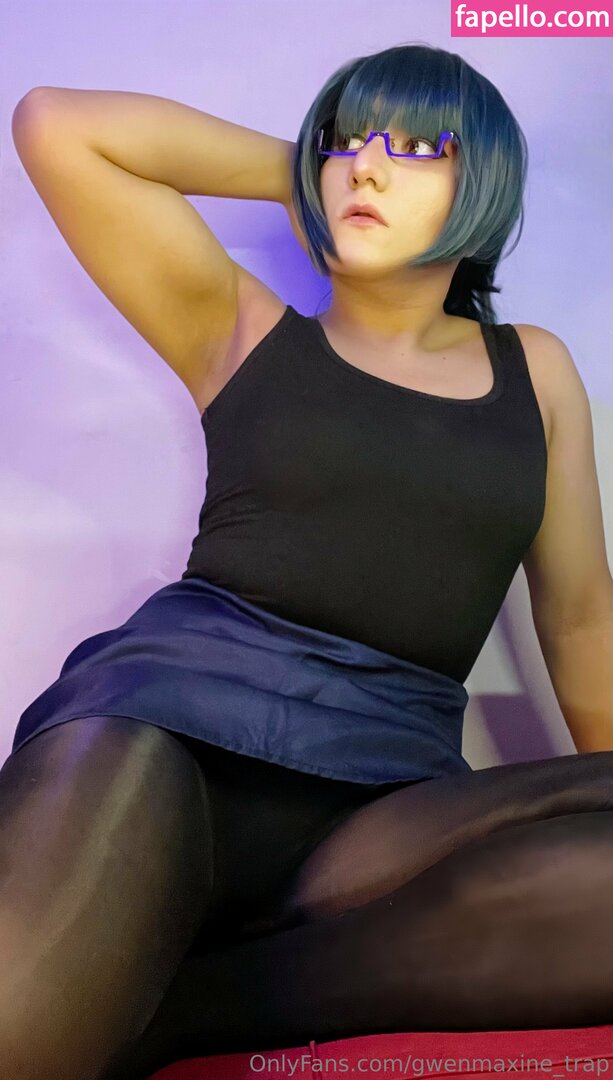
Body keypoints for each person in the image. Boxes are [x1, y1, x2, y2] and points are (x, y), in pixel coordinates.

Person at [3, 41, 612, 1080]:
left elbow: (581, 617)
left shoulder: (535, 371)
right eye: (346, 142)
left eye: (415, 148)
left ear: (483, 183)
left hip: (383, 804)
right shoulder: (241, 326)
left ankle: (186, 1006)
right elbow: (57, 125)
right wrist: (300, 172)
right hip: (166, 733)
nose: (364, 165)